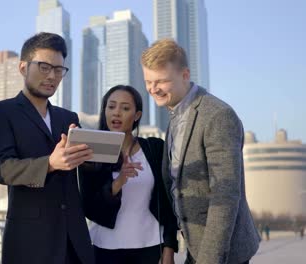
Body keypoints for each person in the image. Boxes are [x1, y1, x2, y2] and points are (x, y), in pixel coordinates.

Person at [141, 39, 260, 264]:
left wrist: (209, 259)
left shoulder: (217, 115)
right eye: (148, 81)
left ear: (185, 75)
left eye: (161, 81)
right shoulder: (176, 115)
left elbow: (225, 194)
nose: (153, 89)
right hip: (195, 248)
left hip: (223, 253)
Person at [0, 32, 94, 264]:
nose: (52, 76)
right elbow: (3, 169)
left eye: (58, 70)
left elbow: (86, 168)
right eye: (44, 67)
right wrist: (50, 164)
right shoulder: (0, 113)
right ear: (23, 67)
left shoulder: (68, 117)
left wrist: (95, 156)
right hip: (30, 242)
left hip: (75, 241)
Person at [79, 85, 179, 264]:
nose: (116, 113)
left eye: (125, 108)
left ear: (137, 115)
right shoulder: (92, 150)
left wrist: (169, 248)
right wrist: (118, 182)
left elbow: (168, 201)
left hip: (150, 246)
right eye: (111, 107)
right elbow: (89, 207)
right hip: (105, 249)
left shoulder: (155, 148)